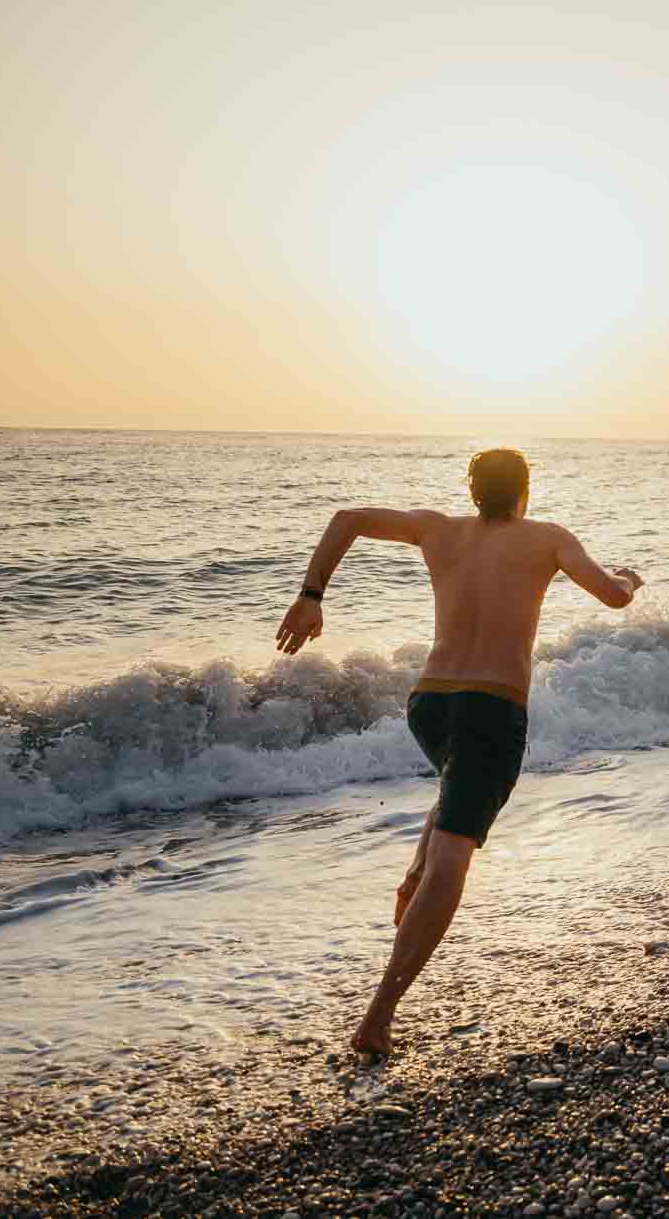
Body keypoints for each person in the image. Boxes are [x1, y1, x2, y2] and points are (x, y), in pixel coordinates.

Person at [274, 448, 642, 1058]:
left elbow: (346, 519)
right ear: (525, 490)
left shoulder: (436, 529)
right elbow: (613, 597)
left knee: (455, 794)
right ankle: (378, 1016)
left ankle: (419, 870)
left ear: (473, 491)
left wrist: (311, 596)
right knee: (455, 862)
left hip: (429, 705)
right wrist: (630, 578)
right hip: (491, 711)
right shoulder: (548, 537)